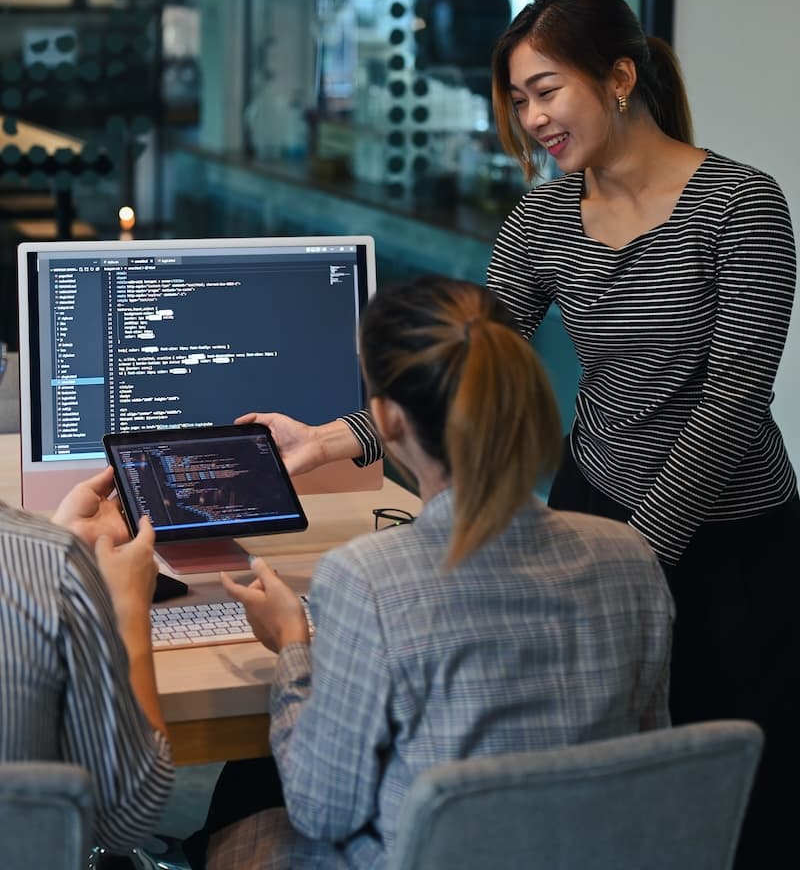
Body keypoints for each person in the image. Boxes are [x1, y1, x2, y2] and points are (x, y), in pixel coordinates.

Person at [242, 0, 797, 869]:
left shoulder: (741, 206)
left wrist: (637, 556)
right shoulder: (543, 218)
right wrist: (336, 436)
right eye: (519, 100)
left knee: (729, 803)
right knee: (594, 786)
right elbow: (470, 358)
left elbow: (732, 401)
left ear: (619, 77)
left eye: (547, 90)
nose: (532, 117)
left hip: (734, 538)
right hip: (600, 498)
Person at [187, 275, 673, 870]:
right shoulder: (631, 556)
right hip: (585, 854)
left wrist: (293, 644)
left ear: (386, 420)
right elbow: (646, 761)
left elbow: (322, 810)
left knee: (248, 796)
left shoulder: (369, 578)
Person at [0, 465, 174, 852]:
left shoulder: (54, 556)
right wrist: (127, 607)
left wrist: (62, 541)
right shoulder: (55, 561)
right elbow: (125, 820)